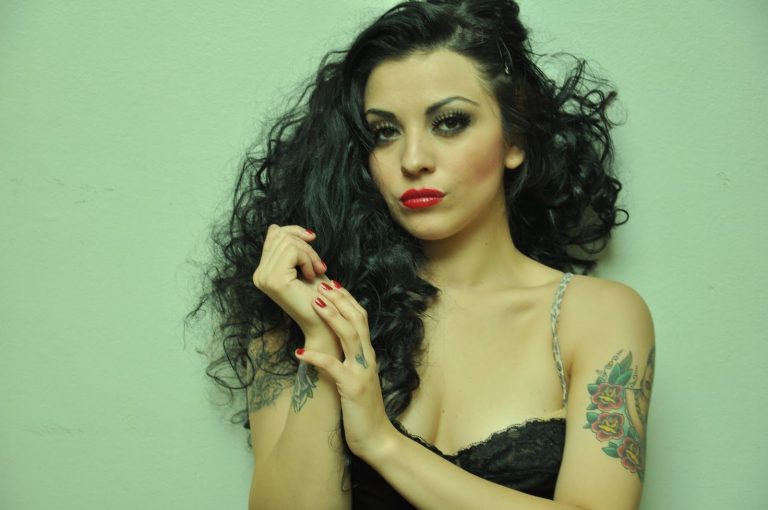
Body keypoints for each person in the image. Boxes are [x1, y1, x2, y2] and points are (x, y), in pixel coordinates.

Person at [191, 1, 655, 508]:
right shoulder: (298, 312)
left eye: (450, 122)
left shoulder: (596, 317)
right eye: (384, 132)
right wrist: (323, 338)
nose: (412, 160)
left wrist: (381, 442)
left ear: (515, 138)